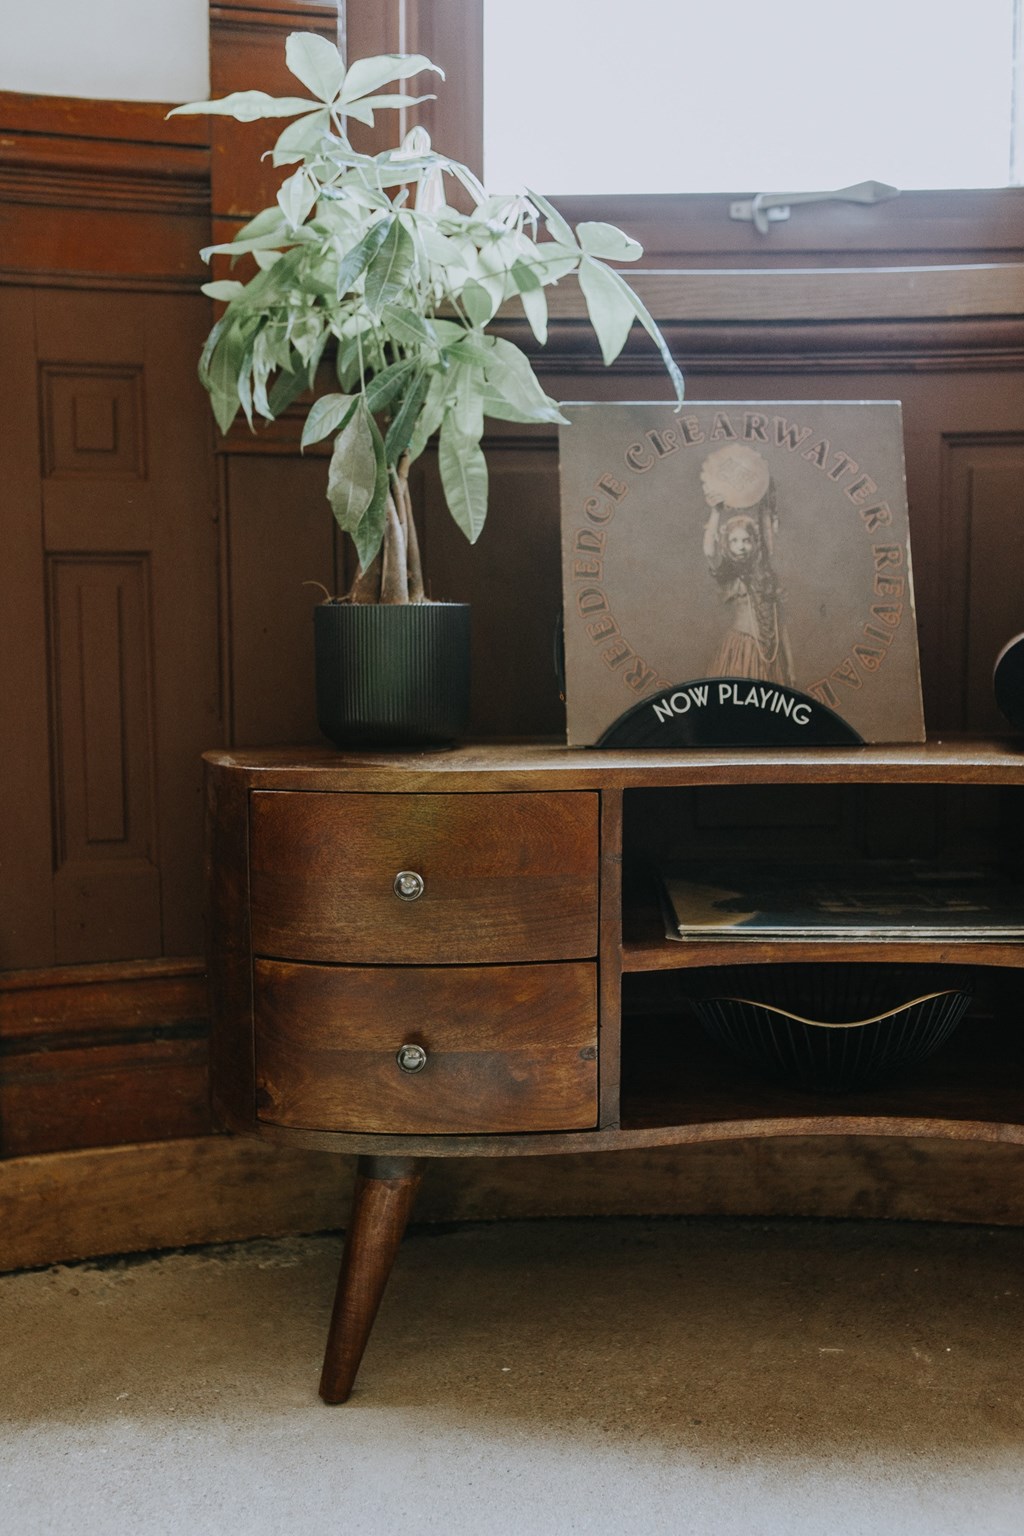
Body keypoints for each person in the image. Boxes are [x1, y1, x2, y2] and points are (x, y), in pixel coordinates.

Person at [700, 445, 794, 686]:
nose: (740, 546)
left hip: (771, 655)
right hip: (741, 650)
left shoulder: (764, 572)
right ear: (727, 544)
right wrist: (715, 512)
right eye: (734, 541)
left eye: (746, 541)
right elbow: (709, 551)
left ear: (754, 543)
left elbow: (767, 544)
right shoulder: (730, 574)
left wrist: (763, 500)